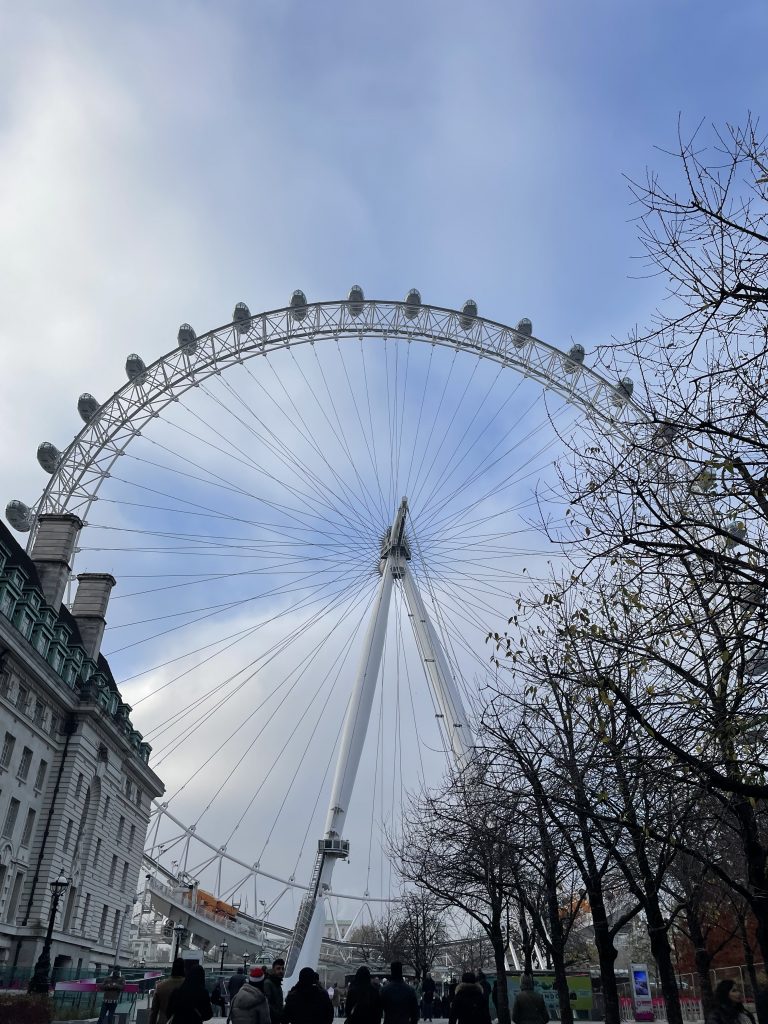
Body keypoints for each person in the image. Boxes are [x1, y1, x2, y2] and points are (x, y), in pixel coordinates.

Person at [149, 958, 187, 1024]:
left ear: (172, 969)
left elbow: (154, 1012)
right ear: (184, 969)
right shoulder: (188, 985)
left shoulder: (160, 986)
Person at [264, 957, 286, 1023]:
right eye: (278, 968)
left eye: (282, 968)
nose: (281, 971)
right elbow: (266, 1003)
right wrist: (278, 1015)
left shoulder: (277, 983)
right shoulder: (268, 983)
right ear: (273, 970)